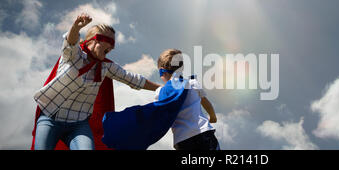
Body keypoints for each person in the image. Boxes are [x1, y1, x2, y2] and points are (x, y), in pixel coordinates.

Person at [31, 13, 160, 150]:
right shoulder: (73, 55)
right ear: (92, 40)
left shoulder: (106, 66)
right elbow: (70, 42)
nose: (112, 46)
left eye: (113, 43)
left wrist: (163, 89)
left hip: (78, 125)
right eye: (108, 40)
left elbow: (133, 79)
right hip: (50, 118)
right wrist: (76, 27)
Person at [155, 49, 220, 150]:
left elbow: (159, 116)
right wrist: (212, 116)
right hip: (202, 132)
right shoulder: (192, 83)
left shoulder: (160, 93)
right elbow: (206, 103)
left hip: (182, 140)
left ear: (162, 72)